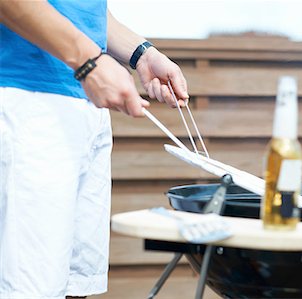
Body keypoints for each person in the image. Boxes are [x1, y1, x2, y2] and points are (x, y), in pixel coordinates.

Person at [0, 1, 188, 298]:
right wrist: (88, 61)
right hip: (27, 99)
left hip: (85, 107)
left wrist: (141, 53)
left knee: (78, 284)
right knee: (30, 289)